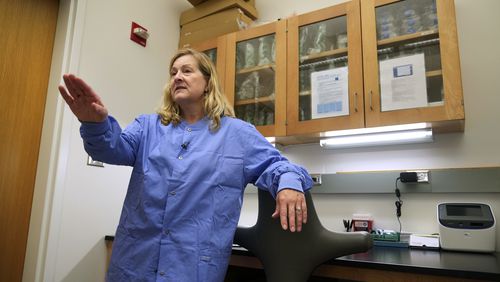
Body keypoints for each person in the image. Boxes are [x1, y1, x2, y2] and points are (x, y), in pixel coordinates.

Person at [58, 48, 313, 282]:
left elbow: (279, 166)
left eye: (187, 71)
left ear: (208, 83)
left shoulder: (238, 134)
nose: (177, 76)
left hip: (192, 268)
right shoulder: (148, 127)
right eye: (173, 73)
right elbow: (111, 150)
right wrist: (95, 124)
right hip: (135, 263)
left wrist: (288, 185)